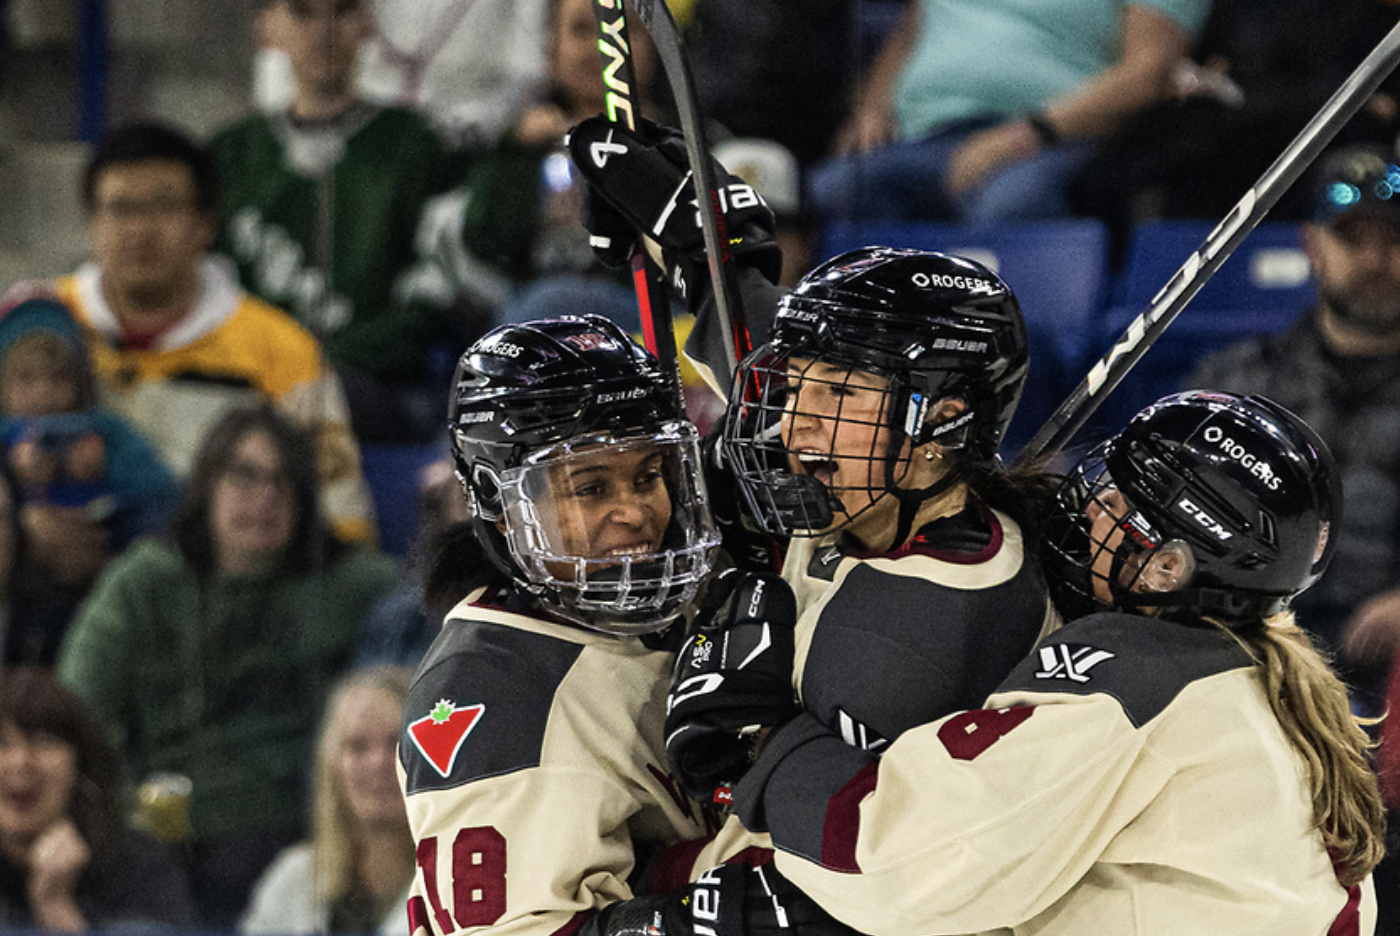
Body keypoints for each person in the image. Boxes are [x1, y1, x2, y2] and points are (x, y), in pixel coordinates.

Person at [713, 390, 1386, 935]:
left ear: (1167, 567)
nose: (1085, 510)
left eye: (1117, 509)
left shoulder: (1139, 677)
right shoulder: (1254, 669)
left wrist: (770, 737)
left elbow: (902, 865)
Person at [397, 315, 726, 936]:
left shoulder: (680, 600)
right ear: (504, 508)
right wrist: (719, 906)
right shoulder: (493, 695)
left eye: (648, 476)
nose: (634, 512)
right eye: (591, 487)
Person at [56, 404, 400, 928]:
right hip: (158, 844)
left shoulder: (359, 586)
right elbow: (77, 714)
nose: (265, 497)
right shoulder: (143, 583)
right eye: (244, 476)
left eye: (285, 481)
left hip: (298, 838)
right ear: (206, 485)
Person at [53, 118, 377, 545]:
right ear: (90, 223)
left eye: (165, 207)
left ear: (205, 224)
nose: (140, 230)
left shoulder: (283, 351)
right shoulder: (38, 326)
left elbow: (342, 525)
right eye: (121, 208)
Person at [1185, 144, 1400, 716]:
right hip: (1246, 648)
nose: (1377, 259)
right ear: (1312, 246)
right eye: (1353, 238)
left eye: (1395, 240)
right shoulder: (1234, 379)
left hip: (1388, 671)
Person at [211, 0, 479, 444]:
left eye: (344, 10)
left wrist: (321, 363)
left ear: (370, 24)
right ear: (266, 28)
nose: (325, 30)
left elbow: (435, 295)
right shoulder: (229, 155)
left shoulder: (420, 147)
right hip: (249, 387)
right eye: (303, 12)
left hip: (382, 391)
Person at [804, 0, 1212, 225]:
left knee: (1009, 205)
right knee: (832, 191)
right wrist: (873, 109)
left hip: (1056, 139)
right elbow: (910, 32)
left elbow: (1150, 72)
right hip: (925, 137)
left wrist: (1027, 133)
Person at [0, 282, 178, 603]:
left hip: (103, 566)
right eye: (26, 379)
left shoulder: (103, 432)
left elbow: (161, 493)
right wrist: (16, 485)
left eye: (58, 377)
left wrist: (104, 471)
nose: (43, 393)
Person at [0, 666, 196, 932]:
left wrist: (55, 906)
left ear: (80, 765)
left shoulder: (137, 866)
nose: (20, 761)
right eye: (2, 743)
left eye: (43, 741)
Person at [242, 665, 415, 936]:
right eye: (357, 746)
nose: (379, 762)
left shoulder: (460, 887)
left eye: (398, 744)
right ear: (331, 765)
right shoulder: (292, 881)